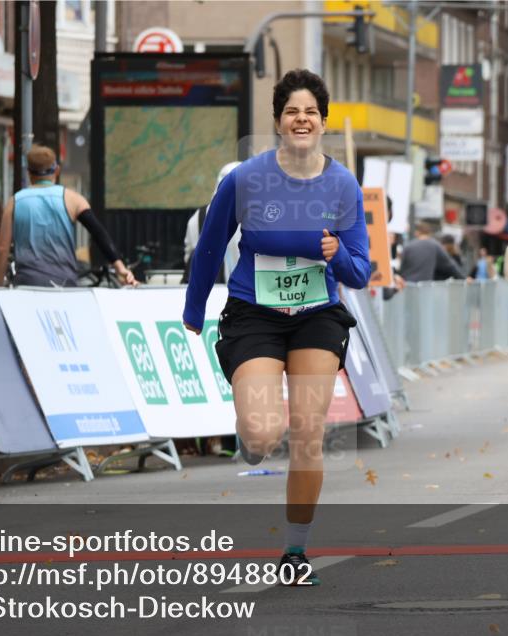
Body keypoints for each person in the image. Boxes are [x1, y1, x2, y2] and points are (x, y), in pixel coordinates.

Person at [183, 69, 371, 585]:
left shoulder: (341, 183)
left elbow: (361, 269)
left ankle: (294, 552)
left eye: (311, 111)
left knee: (308, 432)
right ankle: (251, 424)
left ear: (324, 123)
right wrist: (193, 311)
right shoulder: (245, 179)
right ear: (278, 121)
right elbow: (209, 248)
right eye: (293, 111)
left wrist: (336, 255)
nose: (302, 119)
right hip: (254, 315)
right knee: (263, 437)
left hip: (317, 316)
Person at [0, 145, 138, 288]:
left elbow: (2, 249)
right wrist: (120, 267)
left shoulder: (15, 202)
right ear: (57, 170)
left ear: (29, 173)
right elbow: (99, 233)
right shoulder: (73, 199)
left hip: (28, 284)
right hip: (64, 284)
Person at [182, 161, 241, 284]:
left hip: (208, 294)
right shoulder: (257, 218)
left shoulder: (198, 217)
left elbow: (190, 259)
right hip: (246, 296)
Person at [398, 221, 464, 282]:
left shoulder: (408, 246)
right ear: (429, 232)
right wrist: (464, 279)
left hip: (407, 287)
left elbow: (402, 267)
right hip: (425, 287)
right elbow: (450, 266)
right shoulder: (435, 245)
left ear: (417, 232)